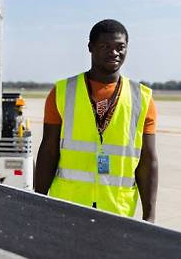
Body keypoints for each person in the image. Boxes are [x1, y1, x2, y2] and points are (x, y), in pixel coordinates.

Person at [34, 19, 158, 221]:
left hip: (117, 208)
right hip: (68, 204)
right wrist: (38, 199)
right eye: (105, 46)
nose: (114, 52)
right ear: (90, 47)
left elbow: (148, 160)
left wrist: (150, 215)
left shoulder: (142, 98)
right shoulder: (62, 92)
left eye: (120, 47)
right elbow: (48, 149)